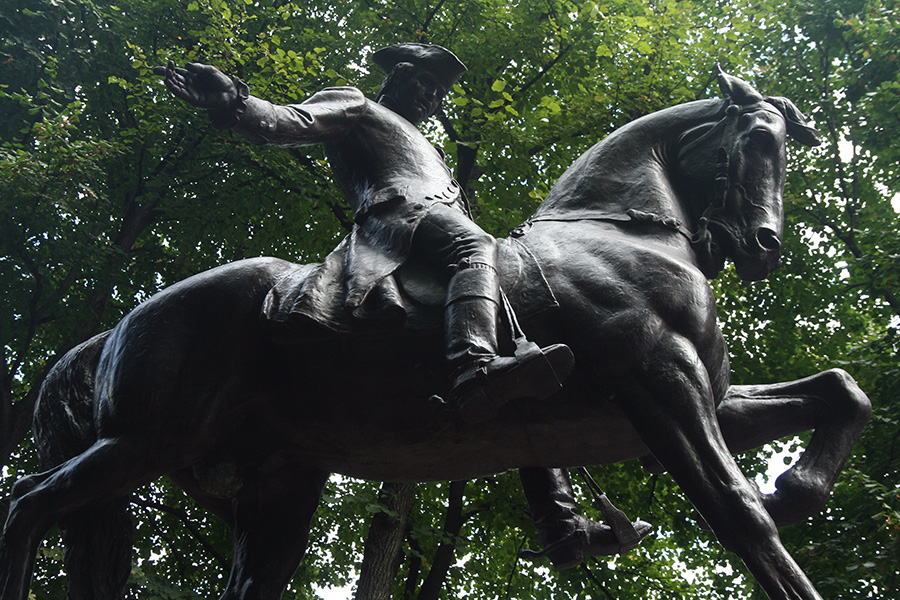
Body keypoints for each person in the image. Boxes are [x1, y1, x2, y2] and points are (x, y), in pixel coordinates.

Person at [155, 43, 649, 566]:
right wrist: (234, 102)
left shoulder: (431, 151)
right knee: (475, 248)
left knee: (520, 336)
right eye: (424, 85)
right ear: (398, 77)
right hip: (398, 221)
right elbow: (289, 121)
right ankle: (473, 367)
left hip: (431, 232)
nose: (431, 99)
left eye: (438, 94)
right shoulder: (357, 105)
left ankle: (560, 523)